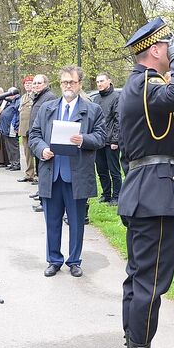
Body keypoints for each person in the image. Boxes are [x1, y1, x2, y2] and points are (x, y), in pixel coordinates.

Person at [117, 18, 174, 348]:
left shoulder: (137, 87)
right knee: (149, 282)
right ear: (157, 50)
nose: (173, 52)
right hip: (155, 196)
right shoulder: (147, 86)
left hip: (143, 191)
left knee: (137, 279)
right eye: (169, 47)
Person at [28, 66, 105, 277]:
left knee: (77, 222)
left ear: (80, 84)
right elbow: (34, 135)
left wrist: (84, 140)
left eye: (71, 82)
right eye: (64, 82)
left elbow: (101, 137)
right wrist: (42, 149)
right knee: (51, 221)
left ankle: (75, 260)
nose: (67, 86)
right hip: (52, 173)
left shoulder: (92, 110)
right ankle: (54, 260)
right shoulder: (48, 108)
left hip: (76, 175)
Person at [91, 73, 123, 204]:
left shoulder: (117, 97)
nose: (99, 84)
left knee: (114, 170)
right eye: (98, 81)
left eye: (102, 81)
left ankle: (117, 196)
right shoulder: (96, 99)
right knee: (101, 170)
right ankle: (106, 194)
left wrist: (115, 140)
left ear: (109, 81)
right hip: (99, 140)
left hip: (111, 141)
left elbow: (118, 120)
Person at [27, 74, 58, 212]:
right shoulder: (37, 96)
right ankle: (41, 193)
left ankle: (44, 201)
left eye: (39, 83)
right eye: (34, 83)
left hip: (44, 140)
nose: (36, 85)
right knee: (39, 170)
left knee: (44, 170)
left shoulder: (49, 97)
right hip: (36, 138)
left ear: (46, 83)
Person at [16, 76, 36, 183]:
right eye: (26, 84)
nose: (28, 85)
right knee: (27, 153)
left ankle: (37, 174)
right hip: (23, 128)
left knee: (36, 152)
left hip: (33, 128)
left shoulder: (35, 96)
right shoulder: (23, 97)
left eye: (30, 83)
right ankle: (29, 173)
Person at [0, 87, 21, 170]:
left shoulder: (18, 101)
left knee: (13, 146)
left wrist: (17, 126)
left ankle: (16, 164)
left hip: (12, 127)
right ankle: (12, 163)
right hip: (6, 127)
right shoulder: (11, 101)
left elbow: (18, 114)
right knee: (9, 147)